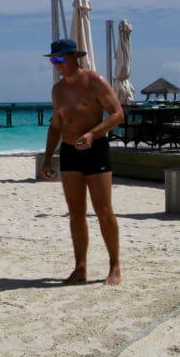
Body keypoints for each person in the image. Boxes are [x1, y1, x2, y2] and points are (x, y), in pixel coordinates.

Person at [41, 39, 124, 285]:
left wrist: (92, 134)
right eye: (52, 60)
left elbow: (118, 113)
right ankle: (80, 267)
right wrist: (47, 159)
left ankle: (114, 265)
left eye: (59, 59)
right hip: (69, 152)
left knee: (103, 210)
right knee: (76, 212)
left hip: (95, 149)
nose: (56, 65)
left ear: (73, 57)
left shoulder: (94, 81)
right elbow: (56, 126)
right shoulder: (57, 90)